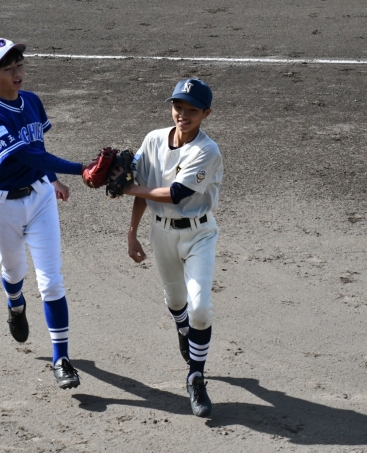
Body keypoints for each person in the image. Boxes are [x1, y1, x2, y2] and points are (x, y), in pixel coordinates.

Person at [0, 37, 86, 389]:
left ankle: (61, 359)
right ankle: (15, 303)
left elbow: (38, 147)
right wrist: (80, 169)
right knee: (14, 272)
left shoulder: (32, 101)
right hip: (3, 206)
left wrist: (53, 179)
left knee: (51, 280)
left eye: (19, 65)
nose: (17, 73)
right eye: (8, 69)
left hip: (40, 199)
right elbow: (27, 156)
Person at [121, 79, 223, 417]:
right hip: (161, 232)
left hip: (199, 235)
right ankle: (183, 329)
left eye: (192, 109)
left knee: (201, 308)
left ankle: (196, 377)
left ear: (206, 113)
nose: (183, 114)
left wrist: (127, 188)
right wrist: (132, 232)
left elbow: (175, 193)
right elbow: (142, 185)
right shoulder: (153, 139)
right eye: (178, 107)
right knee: (176, 302)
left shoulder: (207, 151)